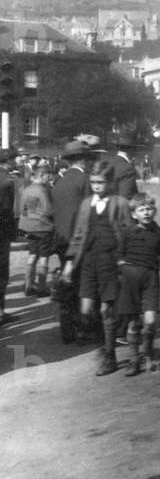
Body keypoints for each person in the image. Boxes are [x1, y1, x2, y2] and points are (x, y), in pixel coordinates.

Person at [63, 159, 134, 375]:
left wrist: (127, 260)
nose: (96, 186)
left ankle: (109, 355)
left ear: (111, 182)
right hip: (88, 262)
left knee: (106, 310)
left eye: (101, 182)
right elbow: (78, 235)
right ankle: (108, 339)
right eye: (93, 182)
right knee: (85, 310)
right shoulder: (86, 204)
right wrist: (68, 263)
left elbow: (130, 234)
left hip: (110, 262)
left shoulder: (120, 203)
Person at [117, 193, 160, 376]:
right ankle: (134, 360)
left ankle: (147, 352)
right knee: (133, 323)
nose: (146, 212)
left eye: (149, 209)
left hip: (151, 279)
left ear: (154, 211)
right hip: (130, 280)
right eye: (141, 210)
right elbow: (119, 254)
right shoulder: (127, 232)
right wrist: (121, 267)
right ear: (134, 214)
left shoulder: (159, 233)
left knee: (149, 321)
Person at [50, 140, 93, 342]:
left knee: (67, 285)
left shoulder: (59, 181)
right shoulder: (85, 181)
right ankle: (83, 329)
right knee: (83, 285)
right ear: (82, 160)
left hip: (61, 240)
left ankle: (67, 330)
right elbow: (89, 213)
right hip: (79, 242)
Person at [20, 162, 55, 298]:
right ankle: (41, 287)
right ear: (41, 175)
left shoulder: (26, 189)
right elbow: (48, 210)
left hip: (30, 227)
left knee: (32, 255)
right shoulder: (42, 190)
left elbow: (22, 209)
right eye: (48, 177)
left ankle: (28, 285)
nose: (49, 179)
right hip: (44, 227)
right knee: (44, 258)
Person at [0, 151, 19, 327]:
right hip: (2, 233)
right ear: (8, 162)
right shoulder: (7, 181)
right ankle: (0, 312)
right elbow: (7, 211)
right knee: (2, 273)